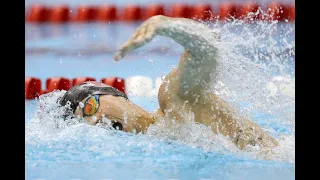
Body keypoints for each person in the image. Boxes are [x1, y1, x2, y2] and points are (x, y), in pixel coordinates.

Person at [59, 15, 278, 151]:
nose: (95, 120)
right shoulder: (156, 145)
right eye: (84, 123)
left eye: (89, 107)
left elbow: (205, 52)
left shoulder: (172, 100)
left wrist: (163, 24)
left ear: (116, 94)